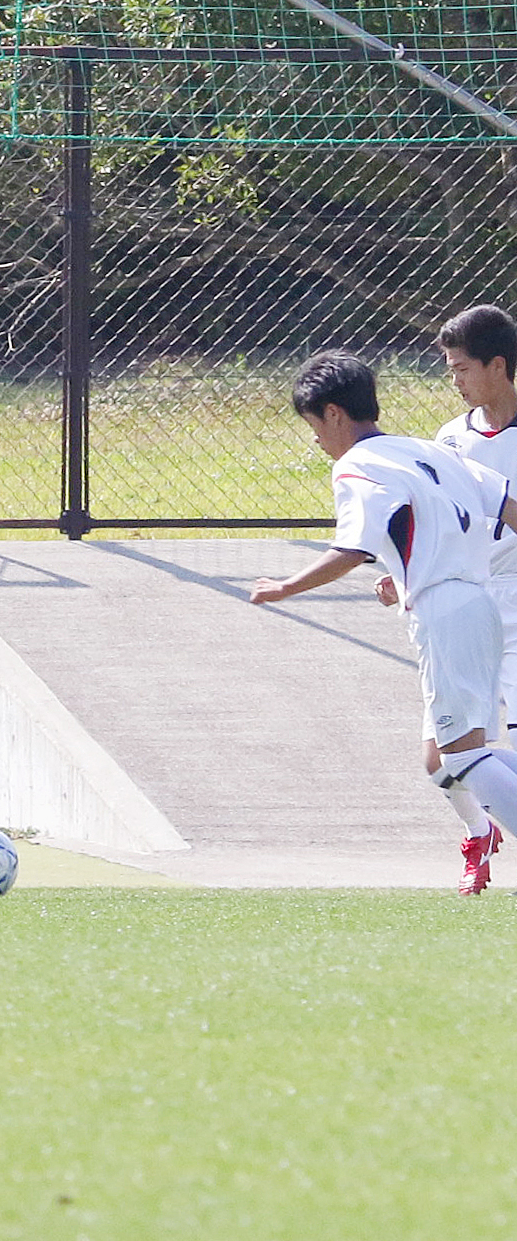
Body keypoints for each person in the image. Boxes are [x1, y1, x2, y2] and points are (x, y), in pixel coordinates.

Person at [249, 350, 517, 843]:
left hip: (444, 612)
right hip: (482, 606)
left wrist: (287, 586)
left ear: (333, 413)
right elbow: (506, 507)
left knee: (462, 756)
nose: (315, 438)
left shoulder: (358, 464)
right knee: (452, 755)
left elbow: (351, 549)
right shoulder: (432, 450)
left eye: (314, 423)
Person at [428, 305, 517, 892]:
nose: (455, 379)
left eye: (463, 367)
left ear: (499, 365)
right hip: (464, 605)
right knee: (440, 760)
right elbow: (437, 519)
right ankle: (479, 830)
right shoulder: (449, 440)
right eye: (451, 368)